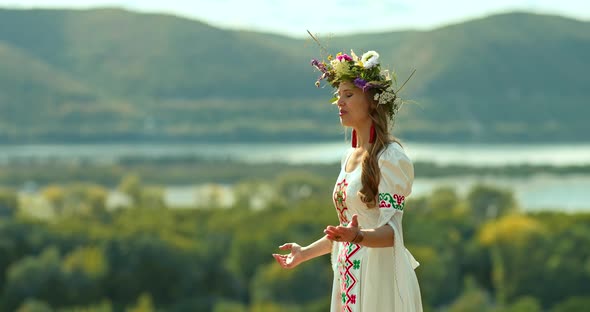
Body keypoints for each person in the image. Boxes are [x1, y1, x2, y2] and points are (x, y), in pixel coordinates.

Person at [272, 47, 423, 311]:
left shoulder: (391, 158)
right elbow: (347, 228)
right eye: (338, 96)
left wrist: (357, 236)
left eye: (348, 95)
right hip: (347, 275)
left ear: (372, 102)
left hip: (379, 278)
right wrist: (304, 253)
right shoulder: (349, 157)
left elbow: (392, 233)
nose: (339, 103)